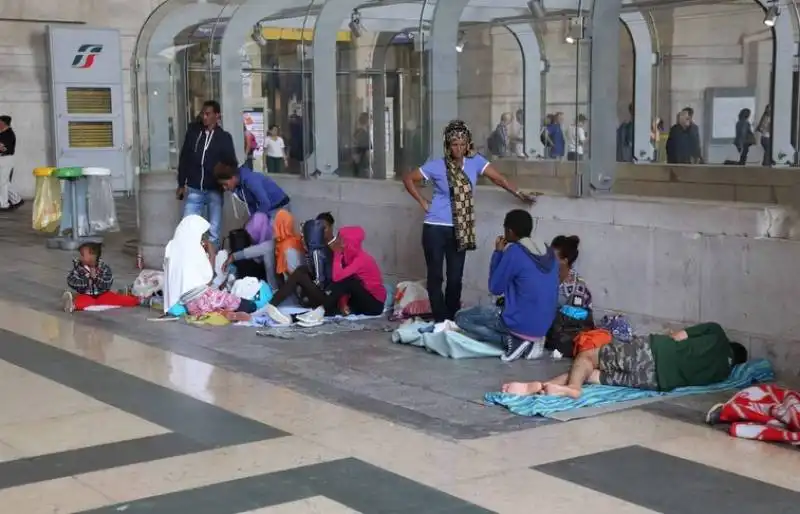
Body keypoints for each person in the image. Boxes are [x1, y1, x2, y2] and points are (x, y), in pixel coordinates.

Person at [402, 120, 534, 323]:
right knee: (436, 277)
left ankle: (451, 319)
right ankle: (440, 320)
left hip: (460, 228)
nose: (459, 148)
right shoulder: (437, 166)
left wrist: (518, 193)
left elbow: (498, 179)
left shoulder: (475, 162)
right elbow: (409, 179)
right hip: (435, 228)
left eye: (462, 144)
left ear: (467, 144)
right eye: (454, 144)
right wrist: (423, 202)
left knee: (455, 278)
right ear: (448, 145)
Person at [502, 322, 748, 398]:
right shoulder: (723, 375)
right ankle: (541, 388)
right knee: (594, 373)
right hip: (657, 381)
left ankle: (573, 388)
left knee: (589, 356)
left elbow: (677, 337)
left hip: (655, 352)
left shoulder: (716, 332)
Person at [454, 210, 559, 361]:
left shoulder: (515, 251)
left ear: (509, 231)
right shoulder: (548, 251)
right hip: (543, 326)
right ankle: (530, 341)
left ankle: (513, 341)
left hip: (519, 322)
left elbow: (495, 288)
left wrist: (498, 253)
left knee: (461, 318)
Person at [265, 226, 386, 325]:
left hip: (373, 304)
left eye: (342, 240)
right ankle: (288, 316)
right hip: (349, 298)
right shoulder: (344, 256)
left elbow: (339, 279)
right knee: (302, 272)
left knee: (348, 281)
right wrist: (343, 302)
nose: (338, 242)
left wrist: (337, 255)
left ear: (351, 243)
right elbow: (341, 285)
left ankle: (320, 311)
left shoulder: (361, 259)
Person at [163, 215, 259, 317]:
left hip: (182, 304)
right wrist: (211, 253)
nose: (203, 237)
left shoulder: (171, 246)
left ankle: (221, 311)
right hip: (200, 300)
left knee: (217, 302)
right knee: (249, 305)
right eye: (202, 234)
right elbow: (208, 280)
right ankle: (225, 311)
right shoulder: (194, 249)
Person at [177, 100, 237, 248]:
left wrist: (225, 181)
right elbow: (184, 157)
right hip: (194, 188)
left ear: (217, 116)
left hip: (214, 190)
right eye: (203, 113)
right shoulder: (193, 132)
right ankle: (190, 264)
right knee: (187, 228)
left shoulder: (224, 137)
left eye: (208, 114)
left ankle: (211, 267)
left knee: (214, 233)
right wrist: (181, 183)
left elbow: (232, 162)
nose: (204, 117)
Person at [62, 243, 141, 312]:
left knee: (116, 299)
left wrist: (96, 279)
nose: (80, 257)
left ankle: (137, 300)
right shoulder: (78, 268)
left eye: (83, 255)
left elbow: (107, 282)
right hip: (86, 294)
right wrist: (87, 282)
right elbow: (71, 280)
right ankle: (72, 305)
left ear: (93, 256)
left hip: (103, 294)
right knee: (83, 301)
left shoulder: (104, 268)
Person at [215, 157, 291, 219]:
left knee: (269, 235)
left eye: (225, 184)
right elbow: (251, 204)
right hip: (269, 208)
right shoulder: (238, 187)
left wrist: (255, 222)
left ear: (233, 177)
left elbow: (265, 203)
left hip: (279, 207)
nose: (224, 188)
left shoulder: (250, 180)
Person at [224, 211, 276, 289]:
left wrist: (233, 256)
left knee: (244, 264)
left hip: (274, 286)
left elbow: (254, 251)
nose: (249, 237)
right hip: (268, 278)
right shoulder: (266, 233)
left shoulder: (270, 244)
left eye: (252, 233)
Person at [550, 235, 592, 309]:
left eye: (552, 258)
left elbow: (578, 316)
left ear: (564, 261)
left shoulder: (578, 286)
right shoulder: (544, 274)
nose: (548, 259)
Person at [0, 114, 23, 210]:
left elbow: (5, 148)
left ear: (4, 123)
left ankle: (4, 204)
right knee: (4, 182)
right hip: (2, 158)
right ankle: (17, 199)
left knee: (2, 183)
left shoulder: (9, 134)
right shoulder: (1, 133)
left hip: (6, 159)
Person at [352, 112, 372, 177]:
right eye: (370, 120)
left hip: (357, 162)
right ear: (367, 121)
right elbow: (366, 150)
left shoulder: (357, 132)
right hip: (362, 163)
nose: (371, 122)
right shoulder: (363, 133)